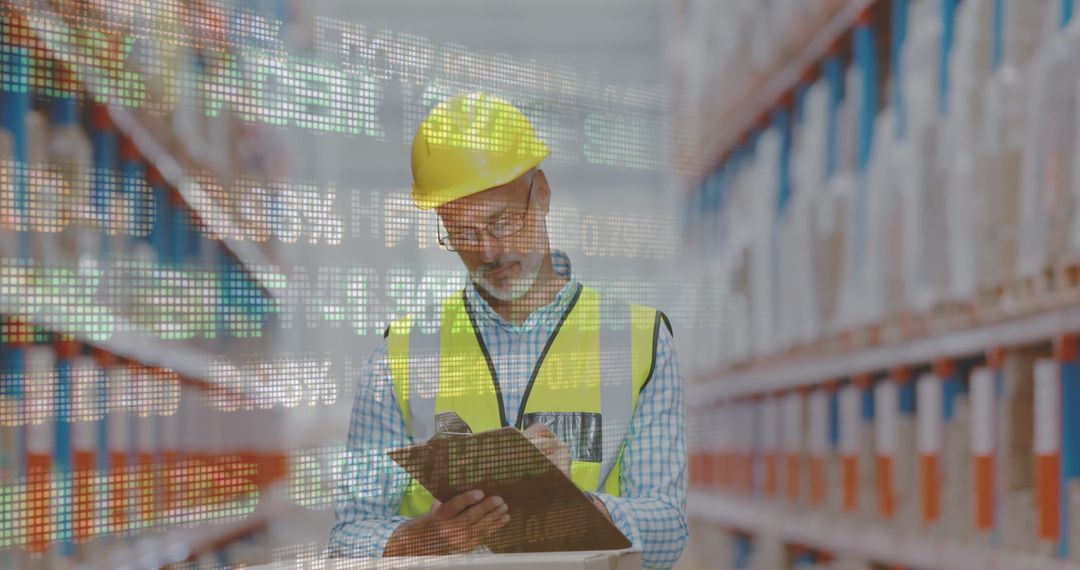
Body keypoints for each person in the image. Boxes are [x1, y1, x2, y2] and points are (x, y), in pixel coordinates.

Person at [328, 92, 688, 568]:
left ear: (542, 192)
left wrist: (572, 507)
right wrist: (424, 538)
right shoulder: (400, 355)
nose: (489, 251)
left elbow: (668, 531)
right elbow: (348, 537)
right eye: (462, 233)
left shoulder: (639, 341)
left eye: (502, 222)